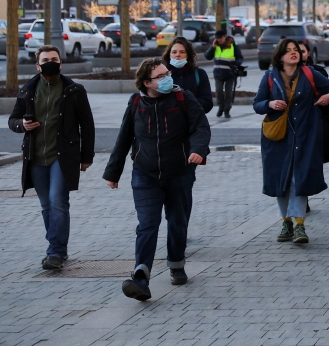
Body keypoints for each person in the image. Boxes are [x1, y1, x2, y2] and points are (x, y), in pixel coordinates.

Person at [103, 58, 211, 301]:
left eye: (167, 73)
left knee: (177, 221)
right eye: (160, 76)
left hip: (180, 172)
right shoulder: (136, 103)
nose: (167, 78)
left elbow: (201, 128)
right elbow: (124, 138)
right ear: (146, 83)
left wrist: (199, 150)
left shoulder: (183, 99)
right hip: (145, 174)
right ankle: (141, 276)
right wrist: (113, 173)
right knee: (147, 224)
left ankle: (176, 264)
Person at [10, 46, 95, 271]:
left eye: (54, 59)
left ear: (60, 63)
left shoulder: (74, 90)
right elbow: (13, 119)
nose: (50, 62)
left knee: (58, 201)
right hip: (35, 156)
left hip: (63, 156)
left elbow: (87, 125)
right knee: (46, 205)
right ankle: (57, 247)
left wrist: (86, 156)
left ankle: (55, 251)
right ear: (37, 65)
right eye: (45, 59)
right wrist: (22, 125)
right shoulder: (27, 90)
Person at [253, 39, 329, 245]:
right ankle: (286, 222)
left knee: (298, 179)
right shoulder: (270, 76)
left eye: (296, 50)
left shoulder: (308, 74)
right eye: (288, 51)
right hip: (278, 137)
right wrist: (270, 103)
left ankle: (299, 223)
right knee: (281, 180)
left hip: (305, 135)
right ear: (280, 56)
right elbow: (257, 104)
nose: (294, 53)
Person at [164, 37, 213, 113]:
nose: (177, 55)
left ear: (188, 55)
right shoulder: (162, 75)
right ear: (169, 55)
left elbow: (207, 103)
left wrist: (185, 100)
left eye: (182, 52)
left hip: (193, 122)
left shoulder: (199, 74)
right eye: (174, 52)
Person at [205, 29, 243, 119]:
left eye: (220, 38)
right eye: (217, 38)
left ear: (225, 37)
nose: (219, 40)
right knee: (219, 91)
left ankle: (227, 110)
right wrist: (212, 47)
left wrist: (236, 64)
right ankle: (220, 107)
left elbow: (240, 58)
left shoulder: (233, 45)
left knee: (228, 93)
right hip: (218, 73)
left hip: (230, 73)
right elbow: (207, 56)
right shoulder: (215, 46)